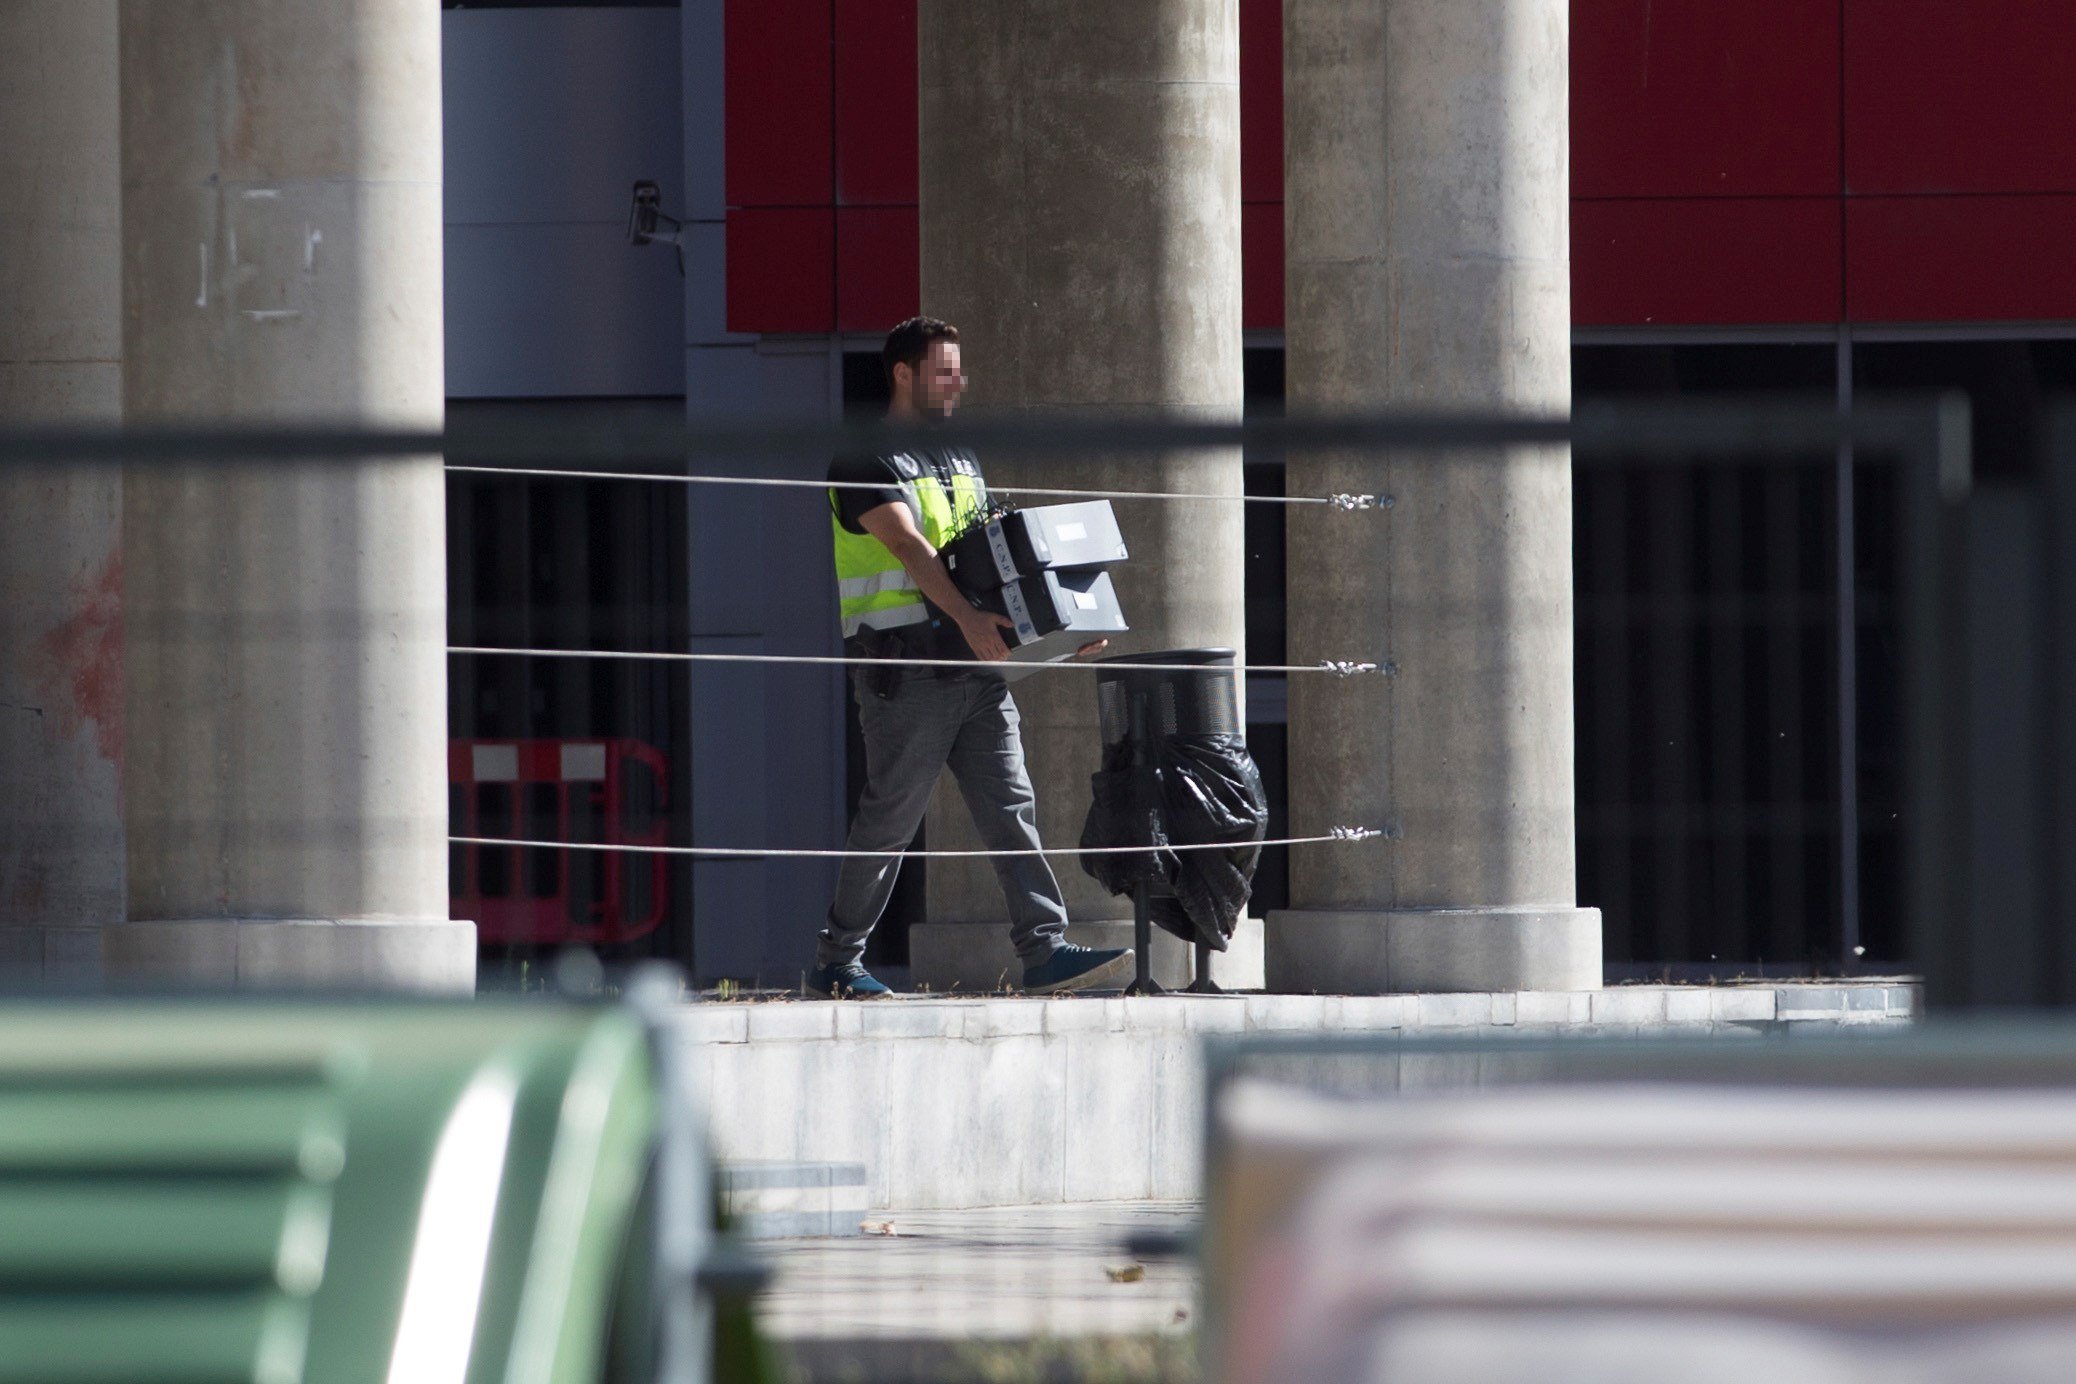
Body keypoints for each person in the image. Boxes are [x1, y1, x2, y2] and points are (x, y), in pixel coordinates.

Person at [809, 316, 1133, 999]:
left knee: (1011, 804)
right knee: (891, 818)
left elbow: (998, 558)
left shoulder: (958, 458)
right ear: (903, 374)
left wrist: (1066, 626)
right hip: (906, 671)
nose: (959, 382)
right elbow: (908, 548)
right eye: (944, 369)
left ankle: (1043, 949)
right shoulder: (863, 457)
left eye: (959, 368)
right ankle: (838, 962)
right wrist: (963, 616)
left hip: (975, 669)